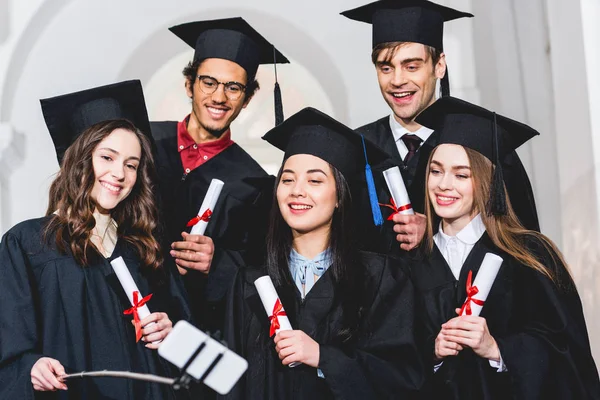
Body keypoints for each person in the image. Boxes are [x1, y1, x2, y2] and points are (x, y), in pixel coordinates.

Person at [0, 81, 192, 399]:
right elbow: (8, 340)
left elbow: (185, 338)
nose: (119, 173)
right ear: (80, 159)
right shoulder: (28, 244)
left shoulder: (143, 249)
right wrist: (30, 366)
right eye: (107, 157)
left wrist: (169, 331)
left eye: (131, 164)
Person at [222, 107, 424, 399]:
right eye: (287, 179)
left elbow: (401, 378)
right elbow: (230, 383)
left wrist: (323, 358)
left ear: (340, 195)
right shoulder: (249, 283)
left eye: (315, 181)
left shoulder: (381, 279)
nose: (297, 191)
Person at [409, 96, 600, 399]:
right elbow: (384, 363)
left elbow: (568, 356)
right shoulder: (408, 263)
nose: (444, 184)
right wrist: (431, 355)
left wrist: (497, 349)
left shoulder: (529, 255)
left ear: (487, 182)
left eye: (461, 174)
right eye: (436, 170)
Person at [341, 0, 539, 256]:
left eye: (412, 66)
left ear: (439, 66)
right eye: (385, 68)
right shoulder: (357, 149)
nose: (397, 80)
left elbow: (522, 248)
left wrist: (443, 232)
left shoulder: (482, 144)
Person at [152, 17, 289, 332]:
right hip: (125, 313)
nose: (219, 97)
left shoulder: (255, 184)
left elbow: (262, 269)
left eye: (233, 87)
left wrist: (219, 262)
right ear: (189, 84)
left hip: (195, 327)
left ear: (246, 99)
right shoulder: (142, 144)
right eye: (208, 82)